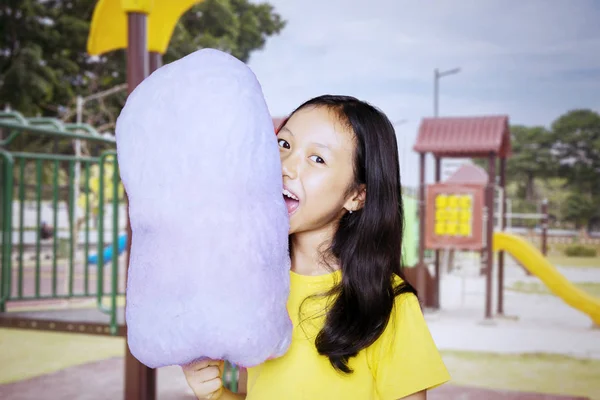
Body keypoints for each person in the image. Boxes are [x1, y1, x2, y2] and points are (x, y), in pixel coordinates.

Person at [182, 95, 450, 399]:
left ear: (356, 196)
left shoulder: (387, 303)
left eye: (317, 158)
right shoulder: (255, 290)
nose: (286, 167)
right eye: (284, 144)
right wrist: (215, 394)